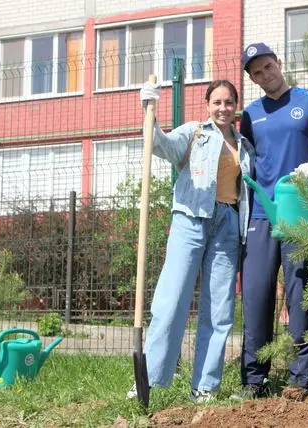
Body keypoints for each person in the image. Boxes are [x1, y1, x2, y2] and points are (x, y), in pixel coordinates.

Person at [232, 42, 308, 400]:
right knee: (255, 296)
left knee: (301, 295)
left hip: (302, 210)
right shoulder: (251, 116)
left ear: (279, 64)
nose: (265, 75)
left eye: (268, 67)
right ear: (252, 79)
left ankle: (300, 379)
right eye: (257, 72)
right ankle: (254, 381)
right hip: (261, 212)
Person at [126, 79, 255, 403]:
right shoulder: (196, 133)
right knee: (171, 303)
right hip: (190, 219)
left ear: (235, 106)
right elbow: (160, 146)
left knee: (220, 310)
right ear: (208, 105)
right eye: (217, 102)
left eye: (229, 102)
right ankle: (149, 379)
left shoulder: (244, 145)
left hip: (227, 225)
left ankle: (205, 387)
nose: (223, 108)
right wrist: (149, 111)